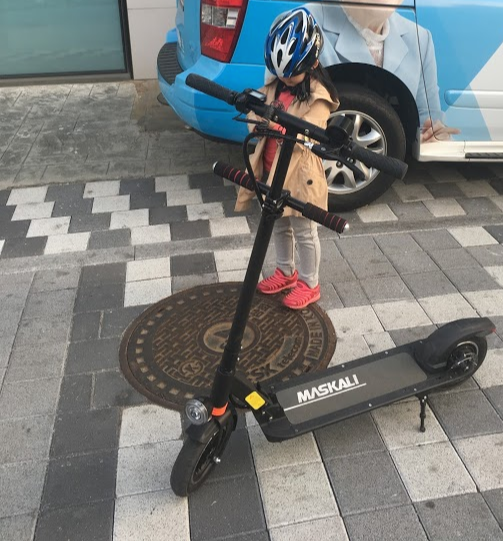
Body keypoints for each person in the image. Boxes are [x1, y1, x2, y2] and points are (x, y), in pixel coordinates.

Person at [234, 7, 339, 310]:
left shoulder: (319, 95)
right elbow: (256, 114)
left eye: (292, 74)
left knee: (305, 230)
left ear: (312, 63)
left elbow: (311, 132)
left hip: (300, 173)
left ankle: (310, 283)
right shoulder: (275, 85)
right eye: (280, 73)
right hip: (271, 169)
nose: (285, 79)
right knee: (276, 223)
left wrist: (280, 127)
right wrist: (254, 113)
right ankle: (285, 271)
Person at [305, 1, 460, 143]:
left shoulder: (420, 39)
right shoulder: (305, 23)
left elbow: (427, 123)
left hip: (394, 162)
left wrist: (436, 136)